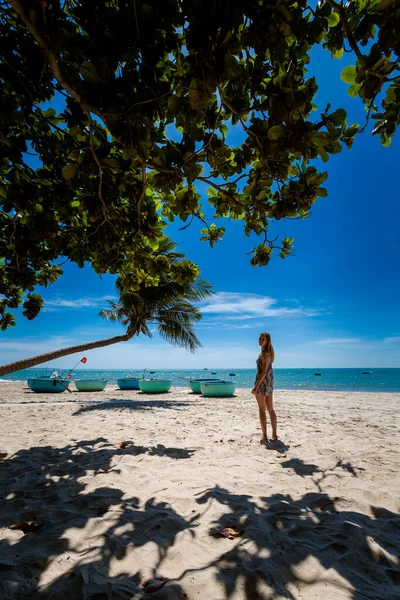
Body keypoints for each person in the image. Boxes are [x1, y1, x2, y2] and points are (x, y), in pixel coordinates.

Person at [251, 332, 278, 442]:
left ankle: (265, 435)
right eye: (260, 338)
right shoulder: (266, 352)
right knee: (270, 409)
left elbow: (263, 372)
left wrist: (256, 386)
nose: (261, 340)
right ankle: (274, 435)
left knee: (263, 409)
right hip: (269, 382)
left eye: (263, 339)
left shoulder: (265, 353)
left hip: (263, 382)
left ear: (267, 341)